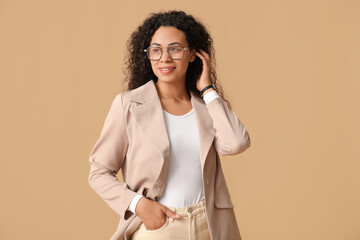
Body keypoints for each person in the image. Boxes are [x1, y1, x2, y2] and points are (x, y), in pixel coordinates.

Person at [88, 10, 251, 240]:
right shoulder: (129, 105)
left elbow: (236, 143)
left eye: (174, 49)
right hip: (158, 228)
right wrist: (139, 205)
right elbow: (98, 172)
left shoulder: (206, 107)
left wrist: (208, 90)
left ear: (193, 54)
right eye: (156, 50)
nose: (164, 58)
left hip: (210, 225)